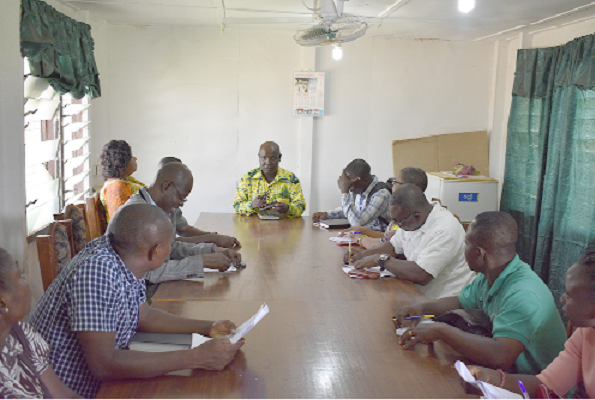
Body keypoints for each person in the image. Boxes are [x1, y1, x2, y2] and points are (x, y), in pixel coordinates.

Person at [30, 205, 245, 398]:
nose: (171, 250)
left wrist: (207, 327)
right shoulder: (97, 271)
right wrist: (197, 357)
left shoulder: (126, 257)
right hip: (77, 390)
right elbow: (105, 365)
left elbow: (144, 315)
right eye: (170, 245)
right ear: (154, 251)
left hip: (104, 379)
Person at [396, 211, 566, 375]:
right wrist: (421, 308)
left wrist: (441, 331)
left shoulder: (523, 294)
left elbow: (501, 356)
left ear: (479, 254)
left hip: (540, 388)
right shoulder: (491, 274)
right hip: (512, 374)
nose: (463, 249)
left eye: (466, 243)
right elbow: (460, 302)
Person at [462, 247, 595, 398]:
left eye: (569, 295)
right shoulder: (586, 333)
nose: (562, 298)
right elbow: (547, 384)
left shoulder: (524, 293)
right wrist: (490, 378)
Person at [107, 162, 242, 284]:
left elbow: (171, 247)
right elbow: (149, 273)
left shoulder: (161, 209)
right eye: (181, 197)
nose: (181, 204)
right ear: (167, 186)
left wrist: (212, 250)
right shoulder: (137, 213)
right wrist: (202, 262)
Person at [350, 184, 475, 299]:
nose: (397, 225)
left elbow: (422, 274)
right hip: (418, 294)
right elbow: (393, 247)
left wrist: (381, 260)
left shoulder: (445, 229)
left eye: (398, 221)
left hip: (445, 302)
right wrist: (361, 256)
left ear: (417, 216)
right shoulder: (410, 219)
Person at [0, 247, 80, 399]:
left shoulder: (23, 335)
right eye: (20, 277)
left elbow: (64, 396)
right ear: (2, 303)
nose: (26, 281)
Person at [158, 157, 241, 249]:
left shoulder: (170, 200)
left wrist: (214, 236)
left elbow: (184, 229)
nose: (181, 204)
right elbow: (170, 245)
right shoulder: (146, 208)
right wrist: (211, 238)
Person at [341, 167, 428, 249]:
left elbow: (386, 245)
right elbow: (389, 237)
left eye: (396, 182)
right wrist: (362, 230)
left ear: (406, 187)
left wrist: (360, 239)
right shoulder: (410, 209)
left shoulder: (407, 215)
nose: (392, 185)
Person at [311, 159, 391, 232]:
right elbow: (352, 212)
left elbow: (357, 223)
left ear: (364, 180)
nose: (348, 185)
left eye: (350, 182)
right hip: (363, 236)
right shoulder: (361, 189)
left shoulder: (381, 194)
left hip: (380, 240)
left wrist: (344, 192)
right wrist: (327, 214)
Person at [233, 141, 306, 218]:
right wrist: (252, 205)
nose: (268, 162)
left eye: (273, 158)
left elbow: (300, 206)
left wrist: (288, 209)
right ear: (259, 157)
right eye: (263, 158)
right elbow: (237, 205)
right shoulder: (248, 178)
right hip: (254, 227)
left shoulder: (291, 179)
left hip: (283, 227)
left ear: (279, 157)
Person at [99, 140, 145, 221]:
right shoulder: (116, 188)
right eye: (131, 156)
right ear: (122, 162)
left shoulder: (126, 180)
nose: (135, 158)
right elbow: (120, 223)